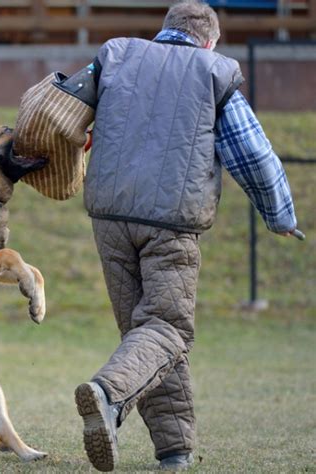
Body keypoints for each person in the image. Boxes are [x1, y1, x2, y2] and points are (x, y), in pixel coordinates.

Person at [73, 0, 298, 471]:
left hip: (109, 218)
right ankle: (108, 393)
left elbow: (61, 105)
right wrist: (280, 216)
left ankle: (174, 452)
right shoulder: (214, 73)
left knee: (146, 332)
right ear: (210, 40)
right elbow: (252, 155)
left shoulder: (117, 55)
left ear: (164, 31)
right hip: (171, 223)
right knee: (168, 328)